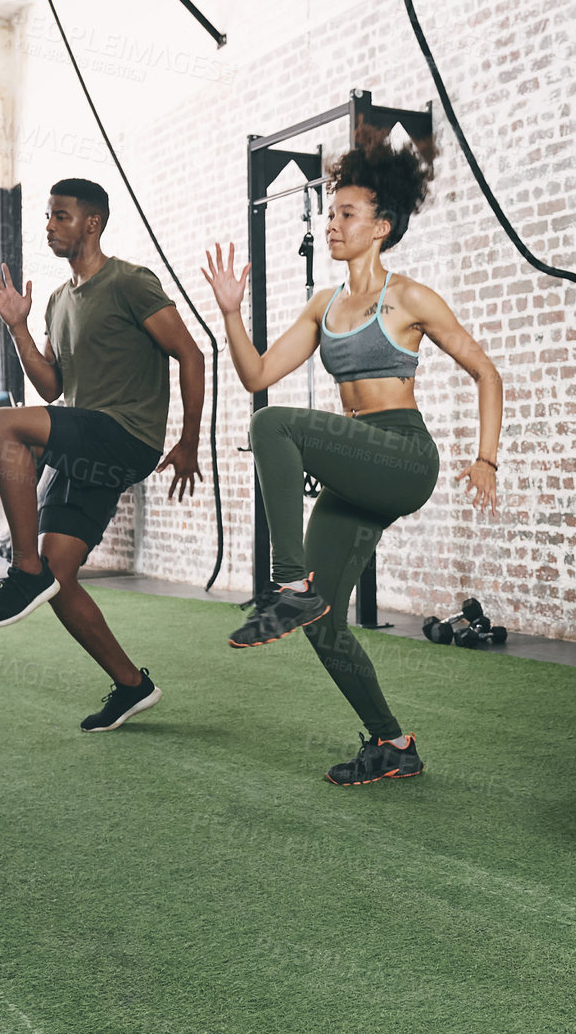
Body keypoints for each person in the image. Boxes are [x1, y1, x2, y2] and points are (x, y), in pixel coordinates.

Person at [202, 128, 502, 786]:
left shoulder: (409, 297)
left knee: (276, 425)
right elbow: (256, 373)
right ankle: (393, 743)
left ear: (381, 227)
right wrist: (230, 312)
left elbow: (486, 371)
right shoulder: (323, 305)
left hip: (402, 456)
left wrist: (486, 459)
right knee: (325, 620)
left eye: (346, 214)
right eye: (330, 212)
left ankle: (288, 585)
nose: (332, 224)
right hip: (359, 462)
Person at [0, 177, 205, 733]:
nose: (49, 225)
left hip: (125, 435)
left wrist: (190, 439)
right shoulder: (57, 301)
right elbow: (52, 387)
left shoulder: (130, 282)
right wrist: (18, 328)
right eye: (48, 217)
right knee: (62, 576)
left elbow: (191, 354)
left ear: (92, 223)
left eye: (60, 216)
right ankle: (132, 685)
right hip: (85, 447)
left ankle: (23, 566)